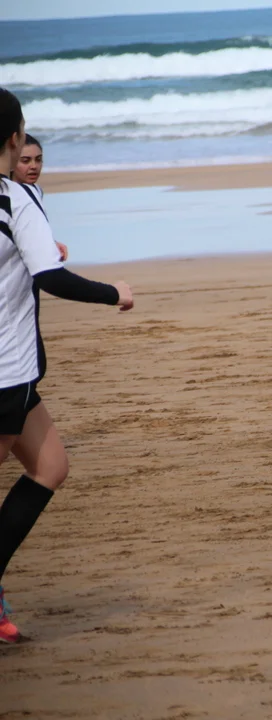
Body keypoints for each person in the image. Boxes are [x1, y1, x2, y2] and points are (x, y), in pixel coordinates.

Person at [0, 88, 134, 643]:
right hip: (5, 371)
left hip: (18, 376)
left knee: (51, 465)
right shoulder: (13, 197)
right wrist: (113, 293)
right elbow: (52, 278)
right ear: (14, 138)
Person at [10, 134, 67, 262]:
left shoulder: (36, 190)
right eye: (25, 161)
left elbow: (33, 231)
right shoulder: (7, 195)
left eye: (38, 159)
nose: (34, 166)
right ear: (11, 162)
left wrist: (52, 243)